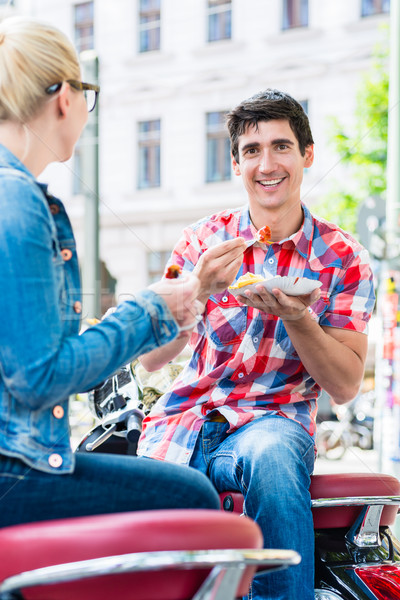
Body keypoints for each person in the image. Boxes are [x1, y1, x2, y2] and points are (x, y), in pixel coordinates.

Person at [138, 89, 375, 599]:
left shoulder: (342, 258)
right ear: (235, 162)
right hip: (187, 422)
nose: (266, 164)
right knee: (130, 504)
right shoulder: (202, 241)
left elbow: (346, 384)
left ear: (306, 155)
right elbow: (153, 359)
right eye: (252, 150)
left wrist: (298, 319)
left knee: (271, 457)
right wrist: (196, 290)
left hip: (273, 425)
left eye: (281, 147)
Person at [0, 16, 221, 528]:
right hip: (15, 471)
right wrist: (148, 312)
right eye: (87, 94)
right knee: (195, 499)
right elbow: (40, 379)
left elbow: (47, 364)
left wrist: (150, 314)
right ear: (65, 98)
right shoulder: (18, 201)